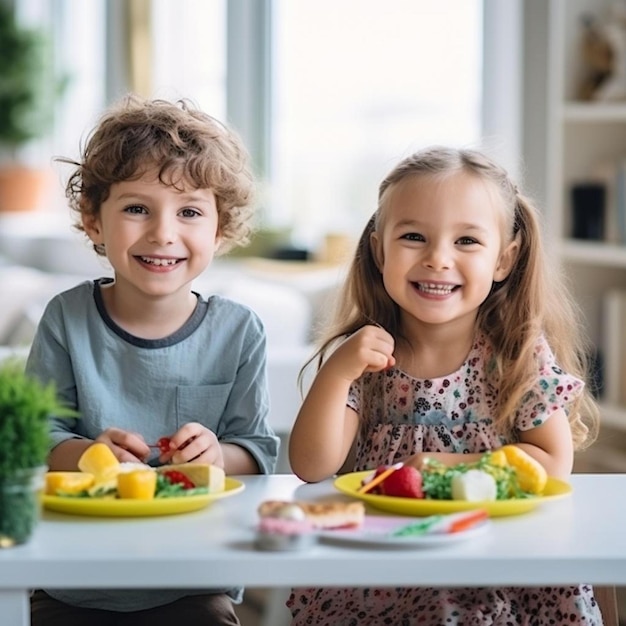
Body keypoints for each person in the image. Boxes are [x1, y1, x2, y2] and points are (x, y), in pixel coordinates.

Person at [288, 146, 604, 625]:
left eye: (467, 242)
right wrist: (337, 371)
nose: (438, 259)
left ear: (504, 259)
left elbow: (551, 465)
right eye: (414, 237)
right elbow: (312, 467)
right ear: (379, 250)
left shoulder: (516, 353)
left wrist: (439, 468)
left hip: (499, 559)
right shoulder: (364, 356)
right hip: (390, 562)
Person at [26, 95, 279, 626]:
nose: (163, 232)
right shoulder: (66, 318)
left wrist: (216, 455)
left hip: (192, 580)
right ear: (94, 221)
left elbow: (255, 450)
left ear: (220, 229)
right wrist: (89, 454)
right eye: (136, 208)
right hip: (74, 580)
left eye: (189, 211)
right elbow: (40, 436)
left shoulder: (239, 331)